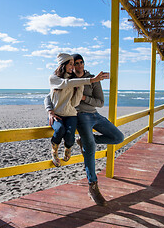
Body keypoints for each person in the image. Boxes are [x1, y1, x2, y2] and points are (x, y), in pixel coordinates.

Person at [45, 53, 124, 206]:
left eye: (81, 62)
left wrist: (84, 98)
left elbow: (100, 102)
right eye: (76, 63)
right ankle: (93, 186)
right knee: (90, 148)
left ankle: (86, 141)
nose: (79, 65)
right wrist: (50, 110)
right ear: (71, 66)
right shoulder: (67, 80)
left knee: (118, 137)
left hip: (95, 114)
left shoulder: (92, 79)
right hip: (79, 117)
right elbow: (50, 95)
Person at [48, 53, 106, 167]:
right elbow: (63, 85)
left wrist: (81, 88)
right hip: (57, 114)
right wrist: (50, 111)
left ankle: (68, 148)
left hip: (71, 114)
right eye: (71, 64)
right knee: (59, 130)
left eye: (74, 64)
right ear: (63, 65)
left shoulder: (75, 81)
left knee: (70, 138)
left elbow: (74, 103)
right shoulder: (54, 78)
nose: (73, 66)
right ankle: (54, 151)